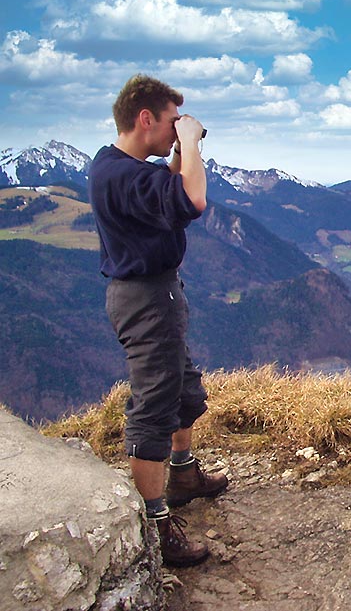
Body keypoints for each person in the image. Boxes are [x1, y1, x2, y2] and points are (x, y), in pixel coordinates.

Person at [88, 74, 228, 567]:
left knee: (184, 391)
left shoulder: (116, 166)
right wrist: (190, 142)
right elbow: (191, 200)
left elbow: (164, 188)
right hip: (145, 298)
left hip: (158, 293)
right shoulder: (120, 174)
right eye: (171, 122)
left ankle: (183, 474)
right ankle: (156, 526)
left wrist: (178, 149)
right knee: (154, 406)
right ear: (145, 118)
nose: (176, 132)